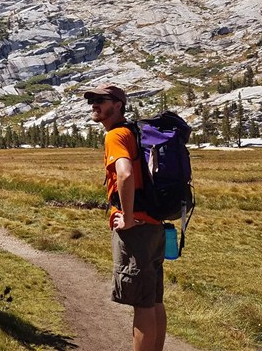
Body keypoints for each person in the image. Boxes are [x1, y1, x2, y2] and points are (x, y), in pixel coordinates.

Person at [84, 84, 167, 351]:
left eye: (100, 100)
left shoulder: (116, 135)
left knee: (141, 304)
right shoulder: (133, 132)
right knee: (153, 299)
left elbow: (126, 174)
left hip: (137, 229)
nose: (94, 104)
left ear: (118, 104)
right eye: (91, 100)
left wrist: (128, 218)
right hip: (154, 225)